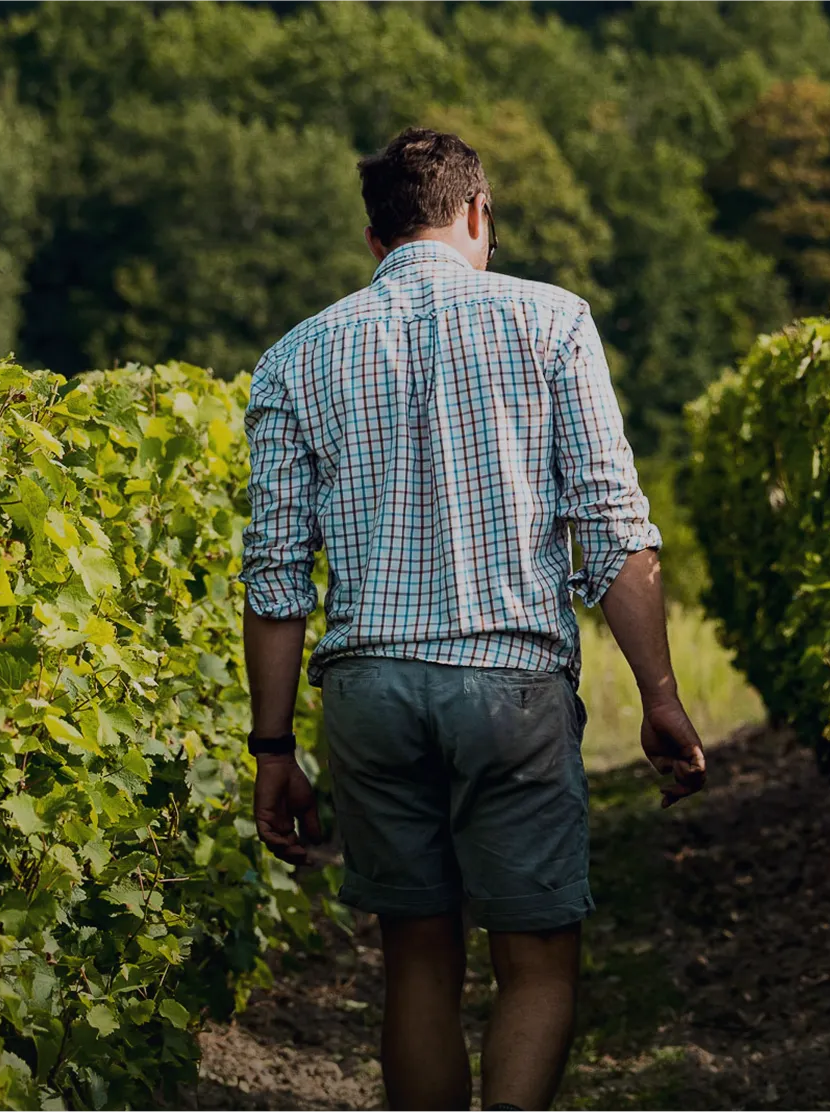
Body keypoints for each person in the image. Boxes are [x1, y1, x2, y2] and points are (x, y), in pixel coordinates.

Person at [238, 126, 708, 1112]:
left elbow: (276, 576)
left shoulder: (293, 359)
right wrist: (659, 696)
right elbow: (614, 526)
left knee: (416, 961)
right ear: (478, 214)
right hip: (509, 685)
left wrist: (272, 747)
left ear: (374, 240)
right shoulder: (553, 322)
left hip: (368, 692)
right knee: (535, 960)